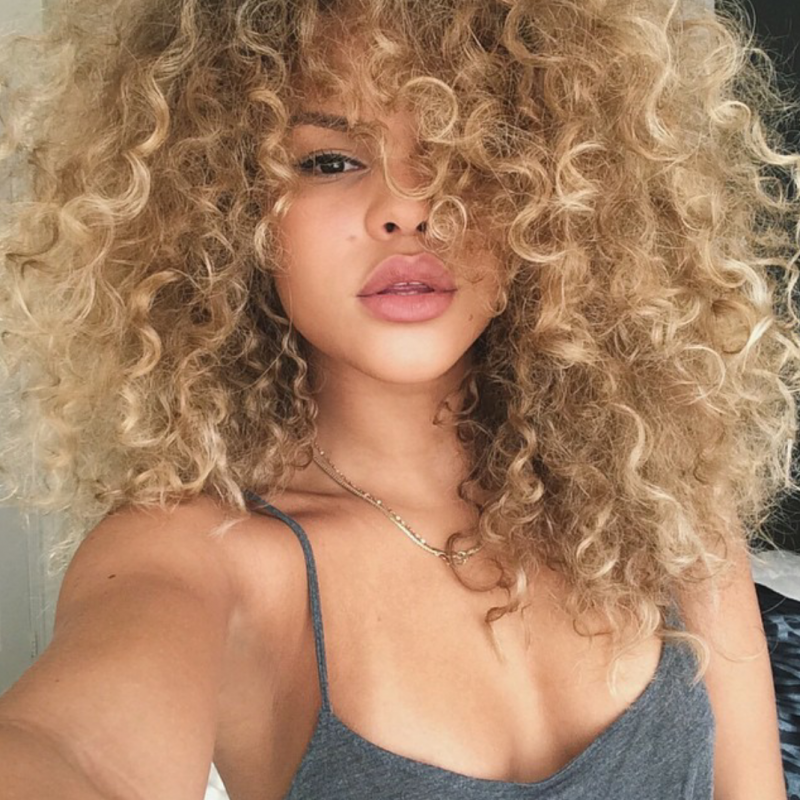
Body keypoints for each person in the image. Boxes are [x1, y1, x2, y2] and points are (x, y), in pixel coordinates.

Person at [0, 0, 796, 797]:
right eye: (329, 161)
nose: (407, 208)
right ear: (227, 204)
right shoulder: (204, 555)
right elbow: (66, 752)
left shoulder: (657, 489)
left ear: (557, 190)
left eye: (467, 151)